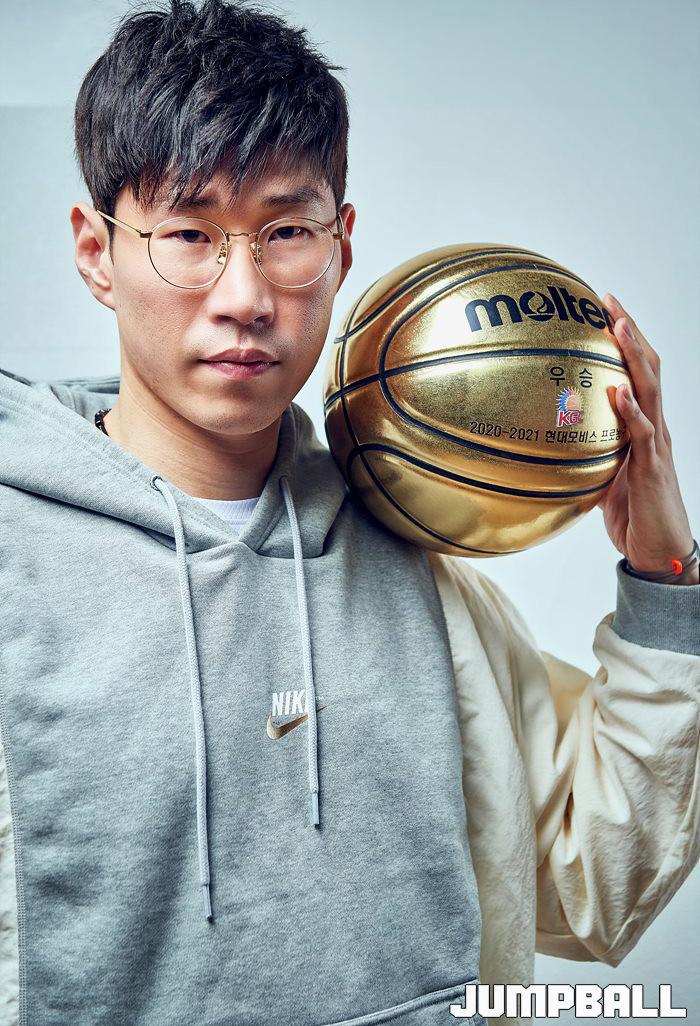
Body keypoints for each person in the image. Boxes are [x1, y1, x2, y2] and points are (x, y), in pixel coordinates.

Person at [0, 1, 698, 1024]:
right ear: (97, 251)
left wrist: (664, 581)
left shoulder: (418, 568)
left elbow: (594, 884)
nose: (244, 295)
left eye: (287, 231)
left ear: (343, 243)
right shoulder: (13, 566)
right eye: (188, 233)